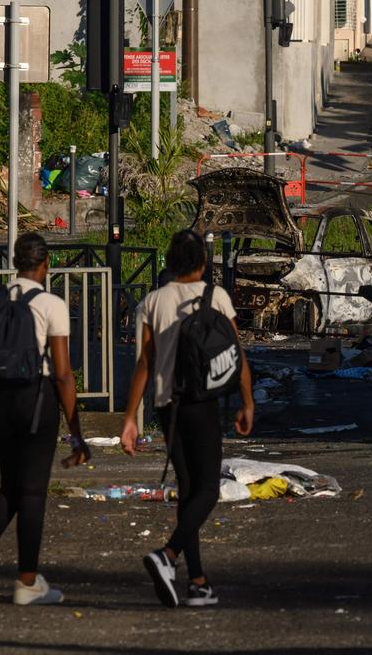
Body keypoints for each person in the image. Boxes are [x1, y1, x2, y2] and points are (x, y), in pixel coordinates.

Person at [0, 232, 91, 605]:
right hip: (36, 401)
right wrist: (76, 432)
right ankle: (27, 582)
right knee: (32, 491)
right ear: (45, 265)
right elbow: (62, 374)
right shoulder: (51, 304)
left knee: (11, 484)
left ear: (15, 262)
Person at [121, 228, 254, 608]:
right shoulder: (217, 297)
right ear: (203, 262)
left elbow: (144, 364)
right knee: (208, 489)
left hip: (168, 407)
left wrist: (130, 417)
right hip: (203, 403)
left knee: (188, 488)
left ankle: (197, 583)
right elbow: (237, 354)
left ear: (169, 262)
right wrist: (247, 402)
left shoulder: (153, 301)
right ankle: (168, 555)